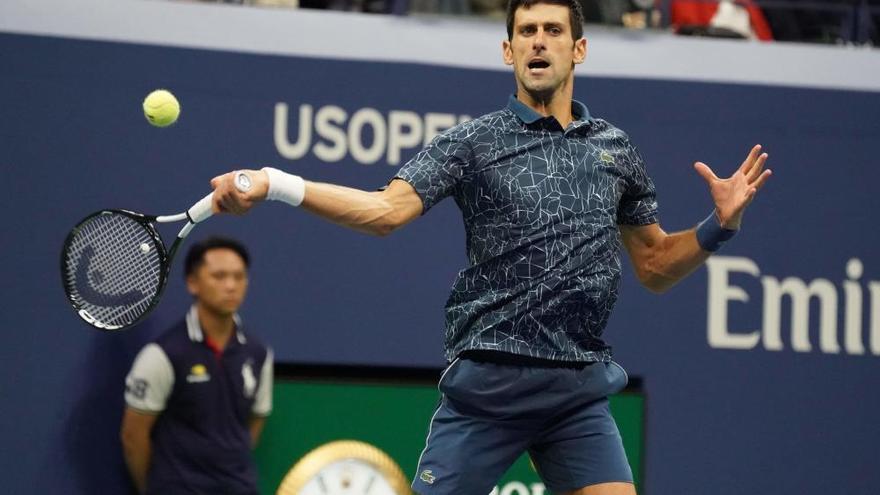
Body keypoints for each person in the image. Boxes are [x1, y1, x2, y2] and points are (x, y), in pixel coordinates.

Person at [210, 0, 772, 492]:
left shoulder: (615, 149)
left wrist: (715, 227)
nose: (539, 41)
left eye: (553, 31)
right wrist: (274, 183)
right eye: (527, 31)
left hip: (576, 389)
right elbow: (384, 212)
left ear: (579, 49)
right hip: (489, 387)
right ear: (509, 51)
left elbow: (653, 264)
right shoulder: (472, 142)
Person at [120, 236, 273, 495]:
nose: (231, 286)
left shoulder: (258, 353)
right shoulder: (163, 354)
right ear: (193, 283)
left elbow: (255, 421)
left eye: (239, 276)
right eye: (219, 276)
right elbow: (133, 437)